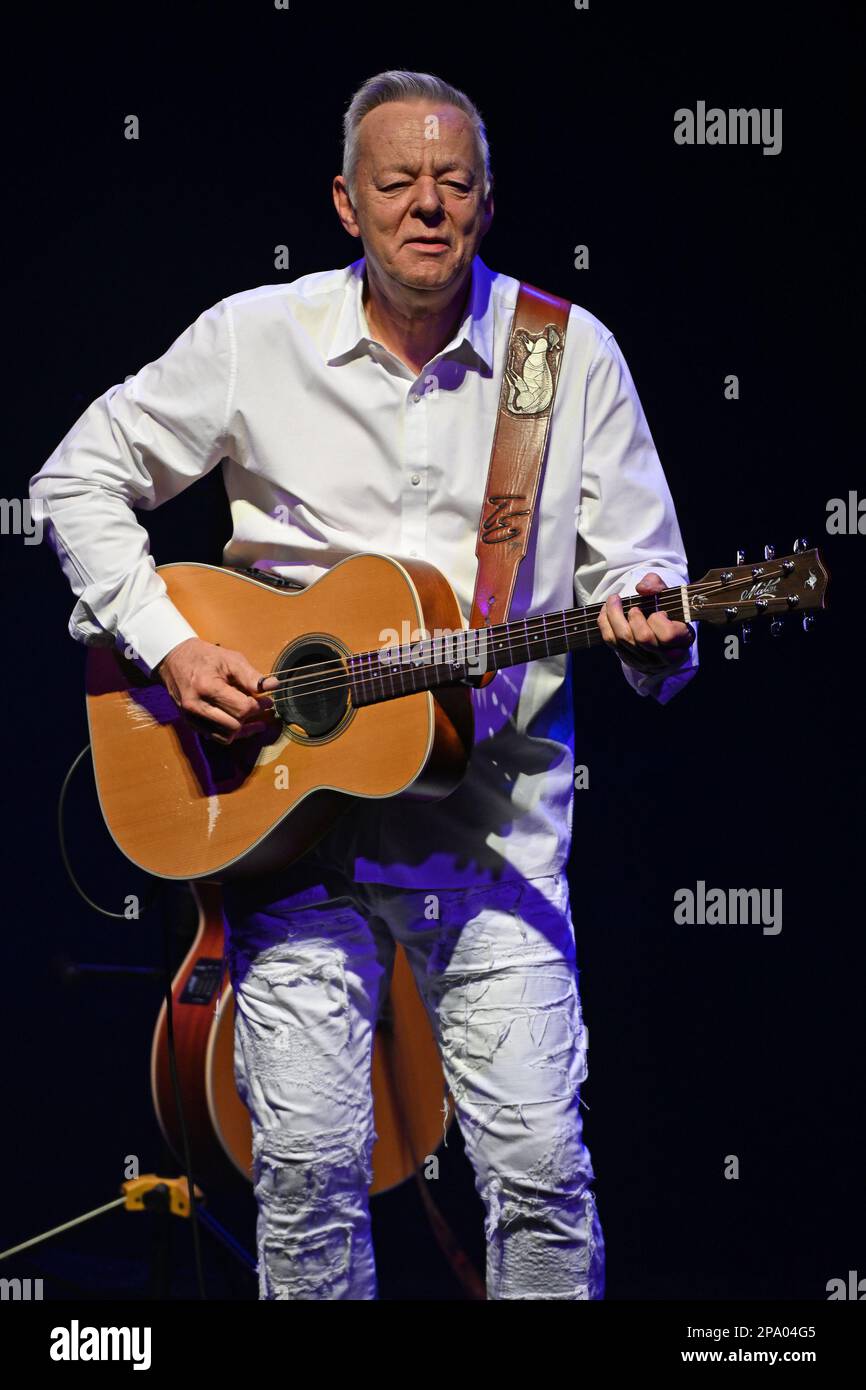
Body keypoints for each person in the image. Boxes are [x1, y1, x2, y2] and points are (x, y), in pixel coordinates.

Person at [30, 69, 698, 1300]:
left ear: (487, 204)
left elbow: (643, 571)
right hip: (289, 832)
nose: (426, 206)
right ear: (346, 203)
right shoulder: (254, 339)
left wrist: (660, 633)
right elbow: (73, 480)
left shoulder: (565, 355)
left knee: (544, 1171)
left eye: (453, 183)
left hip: (486, 838)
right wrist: (173, 644)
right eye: (398, 183)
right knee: (304, 1174)